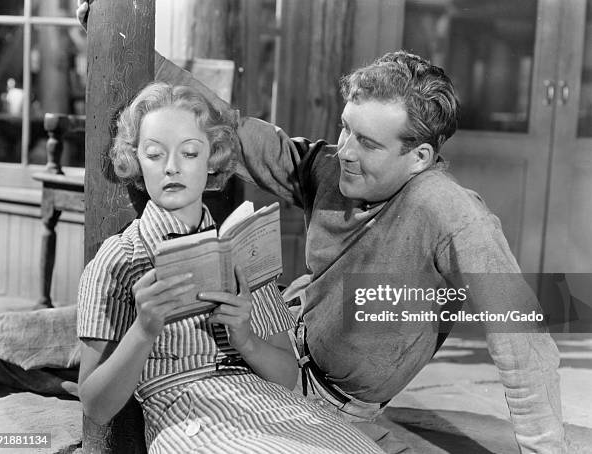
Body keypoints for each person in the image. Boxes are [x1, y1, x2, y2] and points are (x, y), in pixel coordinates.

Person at [76, 3, 566, 452]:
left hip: (320, 395)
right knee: (98, 323)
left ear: (418, 157)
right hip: (272, 342)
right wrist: (115, 35)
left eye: (369, 143)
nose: (346, 150)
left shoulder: (451, 213)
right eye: (345, 127)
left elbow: (523, 336)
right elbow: (227, 130)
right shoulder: (332, 164)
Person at [76, 82, 384, 454]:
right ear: (136, 160)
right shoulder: (120, 258)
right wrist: (143, 329)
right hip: (192, 417)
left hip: (270, 404)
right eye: (155, 154)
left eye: (189, 153)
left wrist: (245, 338)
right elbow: (95, 405)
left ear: (212, 158)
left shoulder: (240, 246)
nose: (172, 167)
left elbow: (287, 375)